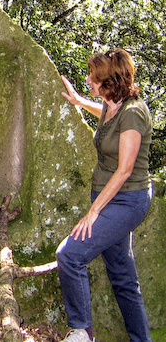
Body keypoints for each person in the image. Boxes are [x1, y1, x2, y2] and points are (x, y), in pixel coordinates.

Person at [57, 48, 153, 342]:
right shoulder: (114, 106)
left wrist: (93, 212)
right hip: (109, 198)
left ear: (110, 82)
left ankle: (82, 332)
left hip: (126, 201)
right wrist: (79, 101)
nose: (88, 80)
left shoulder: (134, 113)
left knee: (69, 255)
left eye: (93, 78)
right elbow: (108, 117)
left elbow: (124, 170)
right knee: (123, 278)